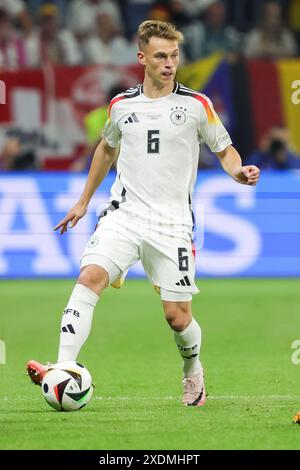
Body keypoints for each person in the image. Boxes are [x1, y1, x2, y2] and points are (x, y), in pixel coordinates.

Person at [26, 20, 260, 406]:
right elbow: (106, 149)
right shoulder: (121, 106)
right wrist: (84, 201)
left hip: (173, 224)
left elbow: (224, 150)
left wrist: (238, 171)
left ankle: (193, 373)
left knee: (178, 317)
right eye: (161, 57)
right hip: (124, 214)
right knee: (89, 278)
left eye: (174, 56)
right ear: (142, 58)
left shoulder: (196, 105)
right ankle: (63, 368)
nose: (169, 64)